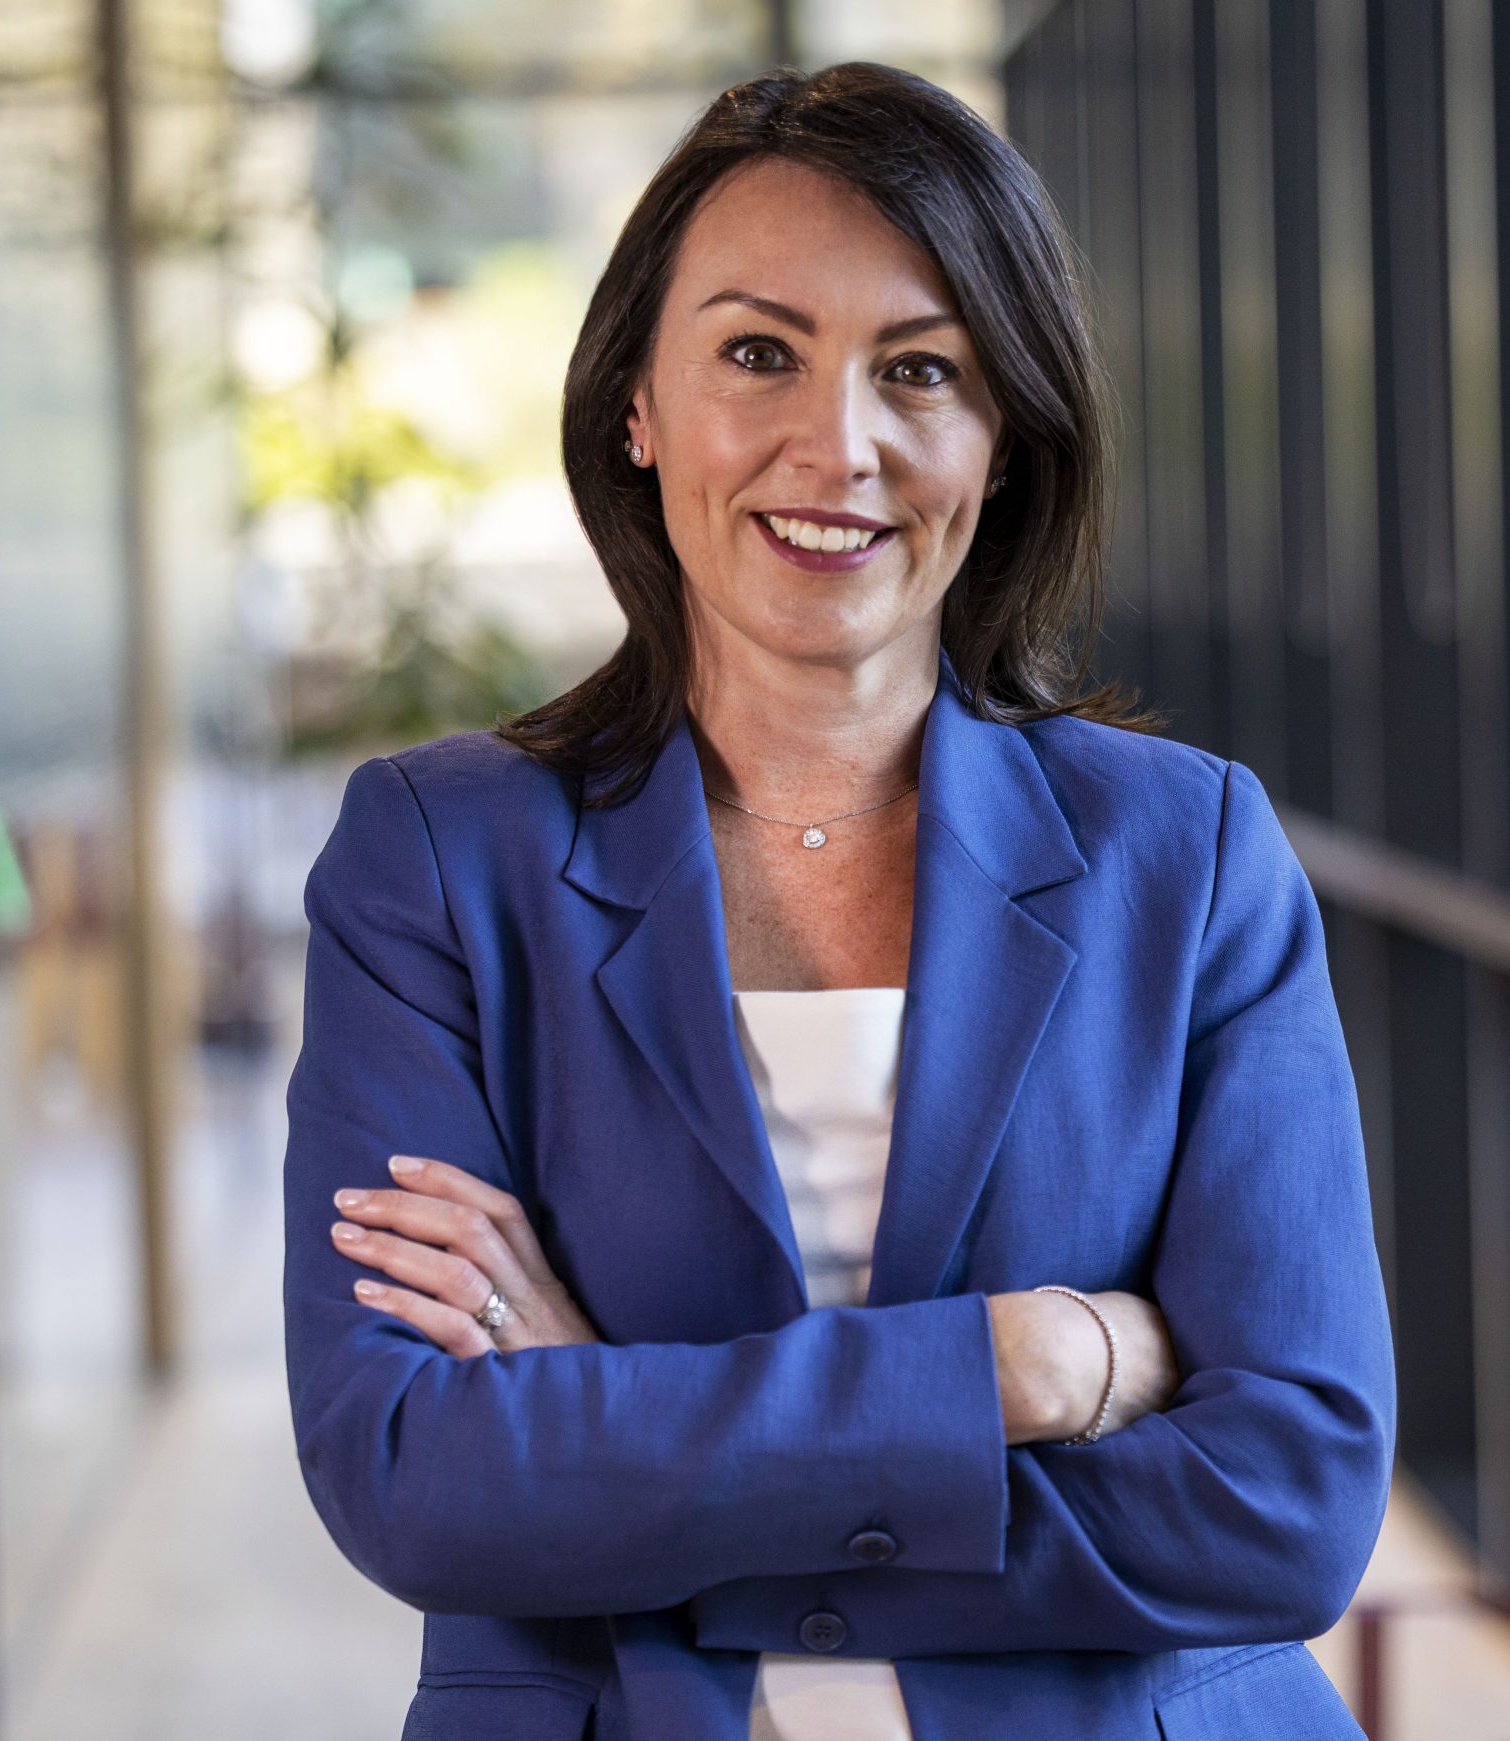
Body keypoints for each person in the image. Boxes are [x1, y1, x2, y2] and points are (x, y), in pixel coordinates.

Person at [282, 60, 1395, 1741]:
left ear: (1003, 435)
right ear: (637, 405)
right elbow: (414, 1477)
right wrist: (1018, 1373)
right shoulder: (441, 862)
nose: (841, 444)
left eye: (922, 369)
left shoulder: (1193, 855)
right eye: (758, 354)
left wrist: (609, 1434)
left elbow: (1290, 1499)